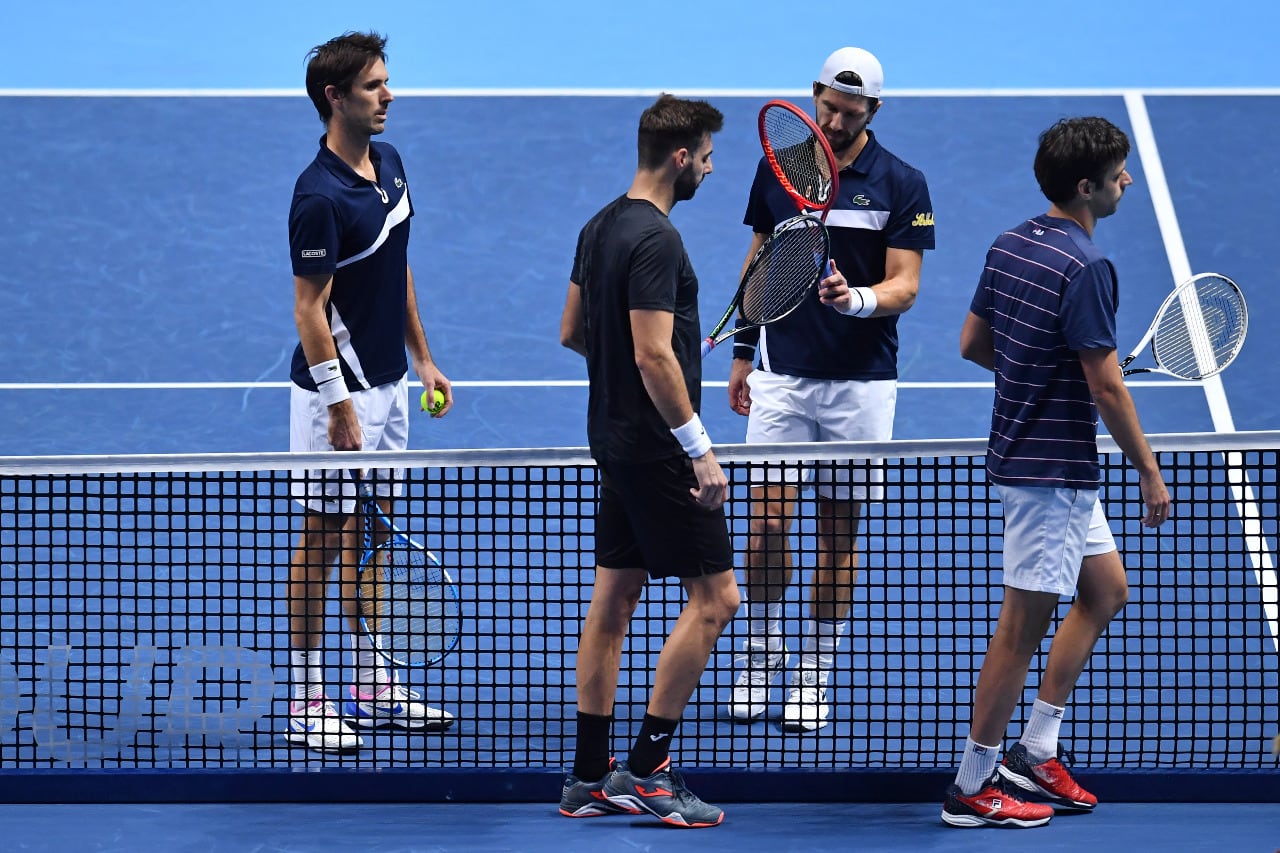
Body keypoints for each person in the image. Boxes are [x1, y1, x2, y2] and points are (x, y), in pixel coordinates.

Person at [941, 116, 1172, 828]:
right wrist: (1149, 471)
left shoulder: (1011, 242)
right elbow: (1106, 387)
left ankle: (1036, 749)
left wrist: (1044, 377)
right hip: (1056, 472)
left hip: (1026, 452)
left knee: (1104, 590)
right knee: (1019, 631)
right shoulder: (1087, 266)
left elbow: (974, 343)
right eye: (1117, 174)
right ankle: (973, 784)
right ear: (1086, 186)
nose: (1125, 180)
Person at [725, 47, 935, 731]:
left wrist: (858, 300)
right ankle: (761, 656)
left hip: (861, 387)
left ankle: (813, 672)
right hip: (782, 376)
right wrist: (742, 351)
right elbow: (760, 257)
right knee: (764, 529)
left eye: (850, 112)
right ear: (813, 94)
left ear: (873, 110)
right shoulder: (778, 168)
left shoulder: (902, 182)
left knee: (837, 540)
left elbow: (905, 284)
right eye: (828, 106)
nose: (836, 121)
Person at [556, 94, 740, 828]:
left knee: (616, 598)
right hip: (661, 451)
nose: (711, 168)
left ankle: (587, 775)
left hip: (613, 441)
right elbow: (650, 350)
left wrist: (648, 364)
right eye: (708, 155)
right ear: (680, 157)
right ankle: (649, 768)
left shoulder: (599, 225)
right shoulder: (658, 239)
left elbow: (575, 331)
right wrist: (699, 446)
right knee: (718, 599)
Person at [284, 31, 456, 753]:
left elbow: (397, 263)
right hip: (337, 398)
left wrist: (423, 358)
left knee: (375, 529)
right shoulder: (317, 196)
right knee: (323, 539)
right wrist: (339, 403)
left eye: (387, 82)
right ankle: (306, 697)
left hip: (389, 388)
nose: (390, 95)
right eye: (374, 86)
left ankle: (370, 681)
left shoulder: (389, 164)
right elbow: (308, 309)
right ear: (335, 98)